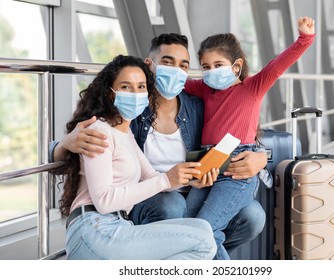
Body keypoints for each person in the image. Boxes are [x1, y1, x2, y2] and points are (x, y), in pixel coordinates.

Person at [50, 34, 268, 259]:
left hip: (190, 190)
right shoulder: (128, 111)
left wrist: (262, 158)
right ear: (149, 65)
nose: (175, 71)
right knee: (176, 210)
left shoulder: (198, 106)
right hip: (142, 201)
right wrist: (64, 144)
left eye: (183, 65)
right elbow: (81, 149)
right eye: (167, 62)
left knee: (252, 215)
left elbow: (241, 134)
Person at [58, 54, 217, 260]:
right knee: (203, 244)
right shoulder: (99, 131)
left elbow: (152, 176)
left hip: (118, 225)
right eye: (126, 87)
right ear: (111, 93)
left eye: (141, 87)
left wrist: (189, 175)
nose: (135, 93)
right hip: (93, 229)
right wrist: (166, 179)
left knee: (203, 228)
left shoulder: (126, 133)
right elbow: (104, 201)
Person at [183, 16, 316, 259]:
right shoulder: (204, 88)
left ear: (236, 66)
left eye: (218, 65)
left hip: (237, 170)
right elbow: (177, 82)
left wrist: (304, 39)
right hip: (207, 162)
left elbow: (278, 66)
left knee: (205, 229)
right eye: (205, 67)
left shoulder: (252, 87)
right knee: (188, 225)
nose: (211, 72)